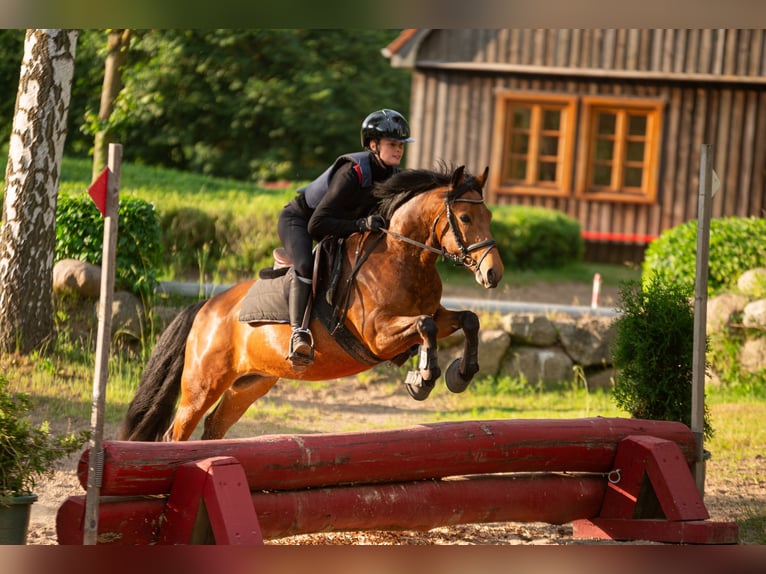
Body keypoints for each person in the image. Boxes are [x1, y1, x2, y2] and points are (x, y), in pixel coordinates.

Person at [277, 108, 414, 370]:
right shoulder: (353, 172)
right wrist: (361, 224)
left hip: (337, 226)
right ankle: (299, 333)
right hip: (300, 221)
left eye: (401, 145)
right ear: (373, 145)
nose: (399, 150)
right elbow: (317, 225)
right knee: (305, 266)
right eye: (392, 144)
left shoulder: (394, 176)